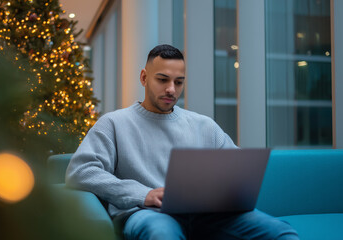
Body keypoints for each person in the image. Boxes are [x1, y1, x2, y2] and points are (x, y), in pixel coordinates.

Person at [66, 44, 299, 240]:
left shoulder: (203, 125)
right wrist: (143, 194)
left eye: (179, 82)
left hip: (207, 214)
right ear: (144, 77)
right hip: (146, 212)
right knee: (161, 233)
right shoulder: (114, 123)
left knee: (281, 232)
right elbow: (81, 171)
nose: (171, 89)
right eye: (163, 80)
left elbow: (236, 168)